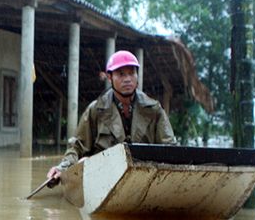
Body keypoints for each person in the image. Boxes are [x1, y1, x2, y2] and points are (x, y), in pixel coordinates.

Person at [47, 50, 176, 182]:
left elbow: (170, 149)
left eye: (132, 73)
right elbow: (77, 147)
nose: (127, 79)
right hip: (104, 174)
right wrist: (63, 168)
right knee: (83, 161)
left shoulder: (154, 110)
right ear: (110, 78)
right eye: (121, 74)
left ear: (137, 75)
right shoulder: (96, 110)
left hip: (144, 175)